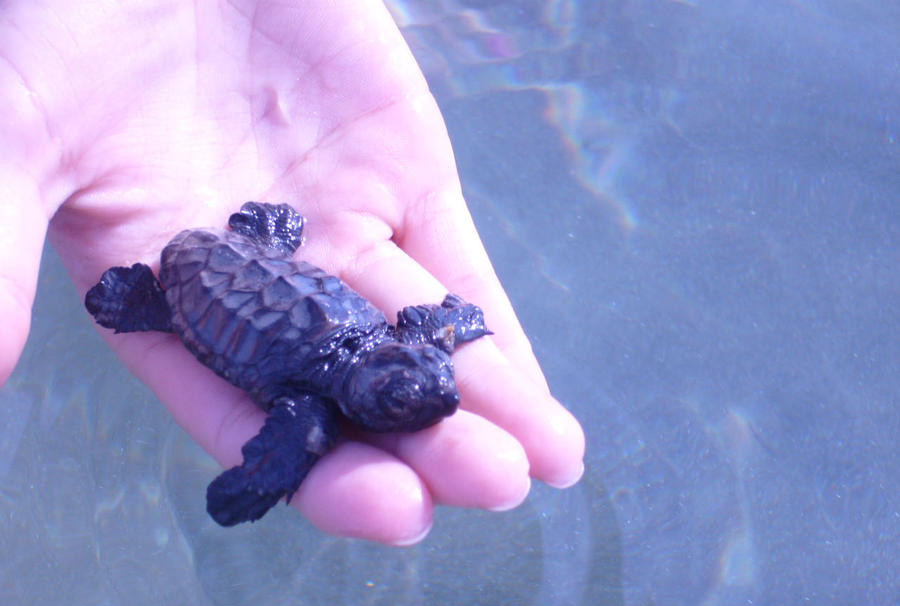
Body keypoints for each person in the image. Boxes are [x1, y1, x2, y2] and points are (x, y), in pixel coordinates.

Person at [0, 0, 584, 544]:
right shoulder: (309, 406)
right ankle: (146, 303)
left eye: (426, 377)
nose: (445, 398)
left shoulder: (374, 354)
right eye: (406, 401)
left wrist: (458, 323)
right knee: (150, 319)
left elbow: (434, 324)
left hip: (255, 253)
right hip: (187, 290)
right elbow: (425, 329)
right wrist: (261, 478)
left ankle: (244, 251)